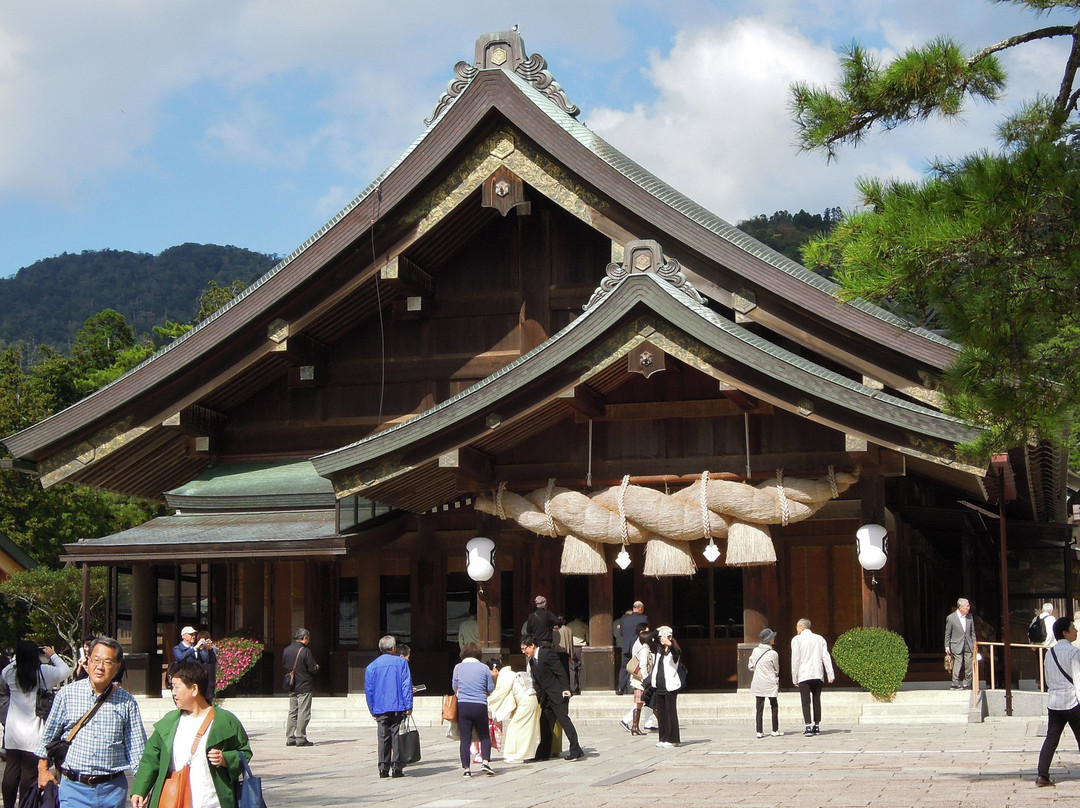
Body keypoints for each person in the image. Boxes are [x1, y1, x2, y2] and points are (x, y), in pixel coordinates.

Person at [36, 637, 147, 808]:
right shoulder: (67, 695)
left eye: (107, 662)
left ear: (117, 667)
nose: (100, 667)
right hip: (74, 788)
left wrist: (141, 787)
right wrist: (43, 770)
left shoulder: (127, 702)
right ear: (87, 661)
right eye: (96, 660)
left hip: (113, 790)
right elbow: (48, 737)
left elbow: (137, 749)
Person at [130, 660, 252, 808]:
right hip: (175, 800)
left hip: (213, 802)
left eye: (176, 687)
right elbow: (150, 759)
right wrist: (140, 790)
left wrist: (225, 759)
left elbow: (244, 752)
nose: (173, 693)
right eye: (172, 687)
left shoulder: (225, 720)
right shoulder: (169, 722)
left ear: (194, 689)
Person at [1, 640, 71, 808]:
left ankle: (9, 805)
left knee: (11, 772)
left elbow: (4, 674)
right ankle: (25, 804)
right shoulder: (43, 672)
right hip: (34, 732)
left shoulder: (10, 672)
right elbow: (66, 671)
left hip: (12, 731)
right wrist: (52, 655)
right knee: (29, 773)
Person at [520, 636, 583, 761]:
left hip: (558, 694)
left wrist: (566, 688)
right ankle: (543, 754)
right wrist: (540, 697)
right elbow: (537, 682)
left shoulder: (546, 654)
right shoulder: (532, 662)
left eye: (525, 648)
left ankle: (575, 750)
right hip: (546, 698)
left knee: (564, 721)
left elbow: (560, 671)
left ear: (532, 645)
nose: (523, 651)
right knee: (545, 725)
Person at [1035, 617, 1080, 787]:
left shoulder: (1049, 653)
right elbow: (1078, 680)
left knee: (1051, 739)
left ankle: (1042, 775)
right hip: (1072, 701)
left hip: (1054, 702)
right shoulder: (1074, 653)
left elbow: (1047, 679)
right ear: (1065, 632)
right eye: (1073, 628)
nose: (1075, 631)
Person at [364, 635, 413, 779]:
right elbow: (406, 685)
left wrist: (372, 708)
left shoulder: (371, 666)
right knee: (396, 736)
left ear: (380, 649)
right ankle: (397, 767)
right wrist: (408, 705)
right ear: (393, 648)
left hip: (380, 707)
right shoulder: (401, 663)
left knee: (383, 737)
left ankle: (383, 768)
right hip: (397, 705)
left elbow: (369, 690)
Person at [452, 642, 495, 777]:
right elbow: (490, 688)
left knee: (465, 738)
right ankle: (485, 761)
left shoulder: (457, 668)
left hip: (463, 705)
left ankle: (466, 769)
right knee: (484, 735)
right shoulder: (484, 668)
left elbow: (454, 687)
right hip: (480, 704)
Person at [790, 617, 835, 737]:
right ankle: (817, 725)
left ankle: (808, 726)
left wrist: (794, 677)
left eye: (797, 626)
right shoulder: (819, 639)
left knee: (805, 701)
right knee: (816, 700)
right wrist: (830, 673)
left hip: (804, 673)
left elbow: (795, 659)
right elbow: (825, 656)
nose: (796, 629)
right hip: (817, 673)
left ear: (802, 627)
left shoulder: (797, 640)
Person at [282, 627, 318, 747]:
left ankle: (290, 737)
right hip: (304, 685)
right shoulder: (305, 651)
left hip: (291, 685)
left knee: (292, 711)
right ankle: (301, 737)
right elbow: (312, 668)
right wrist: (317, 667)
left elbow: (284, 664)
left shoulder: (287, 650)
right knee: (303, 711)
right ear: (305, 638)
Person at [649, 626, 683, 748]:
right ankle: (663, 738)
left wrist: (671, 643)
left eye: (665, 636)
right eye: (660, 637)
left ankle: (673, 739)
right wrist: (656, 631)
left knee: (670, 713)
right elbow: (647, 640)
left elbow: (676, 653)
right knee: (661, 713)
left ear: (670, 637)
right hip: (659, 685)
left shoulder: (675, 651)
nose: (661, 639)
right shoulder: (659, 649)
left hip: (670, 686)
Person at [748, 628, 783, 739]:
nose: (774, 639)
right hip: (770, 682)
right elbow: (776, 668)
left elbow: (750, 665)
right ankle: (774, 730)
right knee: (774, 705)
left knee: (759, 707)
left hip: (758, 681)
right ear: (769, 640)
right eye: (772, 638)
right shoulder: (773, 653)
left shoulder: (755, 651)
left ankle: (759, 731)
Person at [620, 624, 653, 736]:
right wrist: (646, 679)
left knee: (643, 703)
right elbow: (643, 666)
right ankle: (628, 721)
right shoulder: (643, 648)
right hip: (641, 680)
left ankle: (637, 725)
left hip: (641, 680)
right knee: (642, 702)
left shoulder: (644, 647)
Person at [616, 601, 648, 695]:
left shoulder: (623, 619)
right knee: (641, 665)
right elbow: (645, 632)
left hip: (626, 646)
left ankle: (620, 688)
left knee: (624, 667)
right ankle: (640, 687)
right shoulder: (644, 618)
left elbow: (621, 633)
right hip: (638, 646)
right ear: (641, 609)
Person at [944, 598, 976, 690]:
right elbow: (948, 633)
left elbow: (972, 632)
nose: (969, 608)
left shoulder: (970, 617)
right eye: (967, 606)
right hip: (956, 644)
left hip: (968, 644)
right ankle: (955, 683)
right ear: (961, 607)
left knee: (969, 664)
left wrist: (974, 644)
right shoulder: (951, 618)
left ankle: (967, 683)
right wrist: (946, 646)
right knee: (958, 663)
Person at [196, 631, 218, 702]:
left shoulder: (212, 649)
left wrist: (209, 648)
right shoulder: (196, 650)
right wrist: (198, 647)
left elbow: (213, 661)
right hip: (199, 679)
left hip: (210, 679)